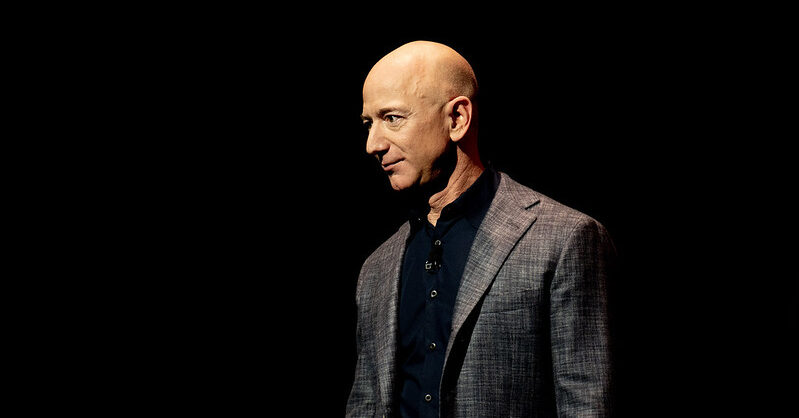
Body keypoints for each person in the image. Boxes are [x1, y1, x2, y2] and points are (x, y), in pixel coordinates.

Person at [347, 40, 616, 417]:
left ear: (457, 118)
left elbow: (588, 403)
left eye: (392, 118)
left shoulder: (563, 239)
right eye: (368, 124)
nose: (372, 144)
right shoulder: (376, 269)